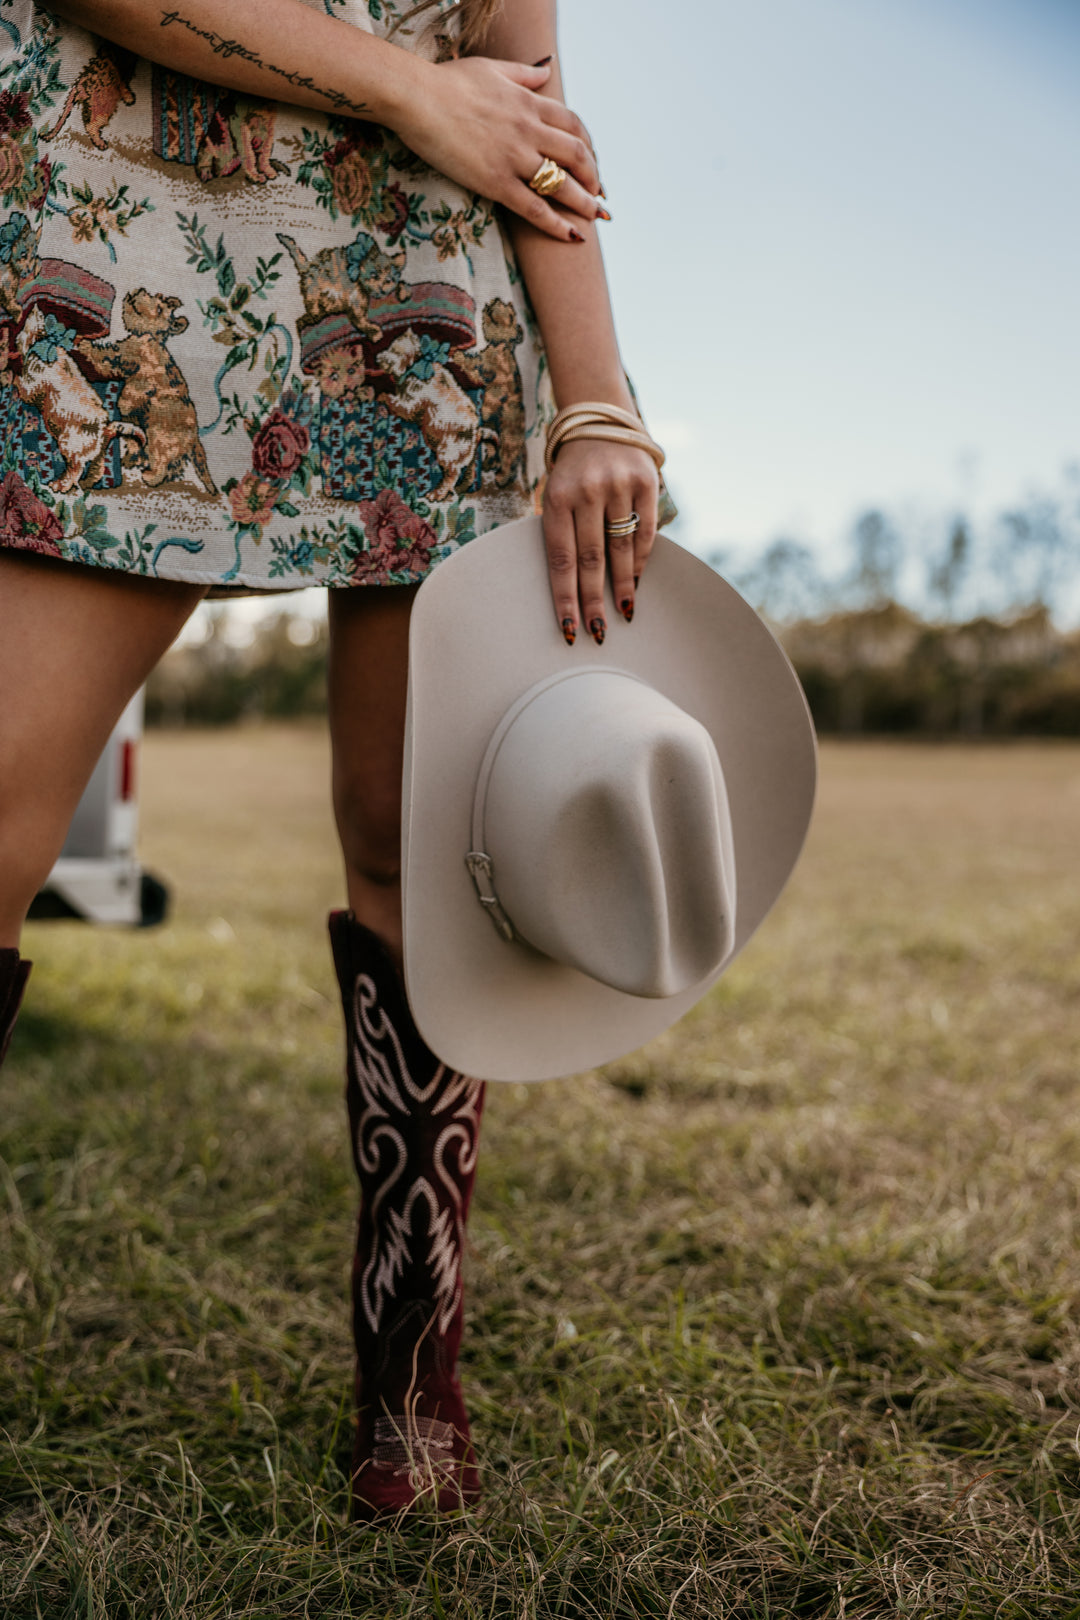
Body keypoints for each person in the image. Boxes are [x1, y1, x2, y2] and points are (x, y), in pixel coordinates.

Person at [0, 0, 669, 1520]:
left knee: (408, 842)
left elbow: (532, 109)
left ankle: (411, 1369)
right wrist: (413, 92)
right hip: (131, 248)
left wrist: (597, 398)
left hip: (421, 294)